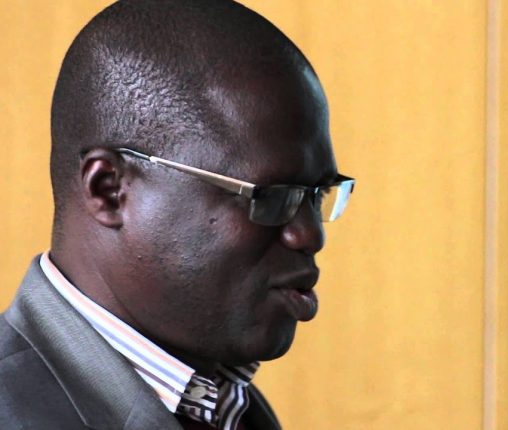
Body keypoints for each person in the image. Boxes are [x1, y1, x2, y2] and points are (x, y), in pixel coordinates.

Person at [0, 0, 354, 428]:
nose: (309, 235)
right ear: (109, 190)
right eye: (269, 196)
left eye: (318, 194)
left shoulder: (226, 406)